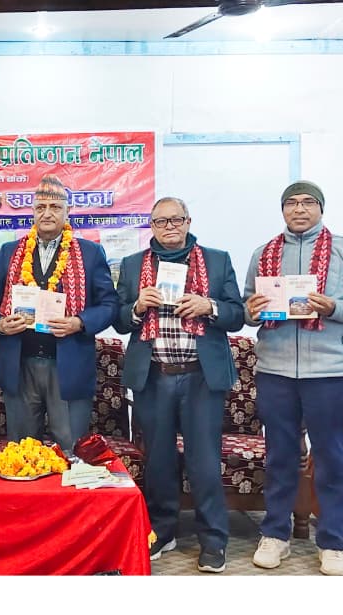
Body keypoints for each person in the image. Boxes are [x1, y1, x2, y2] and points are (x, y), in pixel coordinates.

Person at [242, 181, 343, 576]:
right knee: (280, 457)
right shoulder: (263, 253)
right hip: (275, 371)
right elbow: (245, 308)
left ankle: (333, 542)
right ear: (282, 210)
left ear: (321, 208)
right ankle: (275, 535)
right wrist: (252, 310)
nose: (300, 209)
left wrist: (335, 307)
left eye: (308, 202)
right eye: (291, 203)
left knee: (331, 458)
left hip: (328, 373)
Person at [114, 197, 244, 572]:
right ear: (151, 226)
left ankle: (213, 540)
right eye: (161, 221)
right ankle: (162, 530)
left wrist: (210, 307)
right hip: (154, 376)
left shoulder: (217, 260)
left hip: (200, 376)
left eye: (176, 219)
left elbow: (238, 314)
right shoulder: (133, 264)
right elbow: (118, 319)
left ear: (188, 221)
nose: (169, 227)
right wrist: (137, 307)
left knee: (204, 462)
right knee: (158, 461)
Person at [0, 174, 118, 450]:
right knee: (22, 454)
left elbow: (110, 305)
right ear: (32, 212)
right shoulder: (9, 252)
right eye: (41, 207)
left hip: (68, 366)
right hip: (20, 365)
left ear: (68, 212)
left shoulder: (90, 253)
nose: (47, 214)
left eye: (55, 207)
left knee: (71, 452)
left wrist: (80, 322)